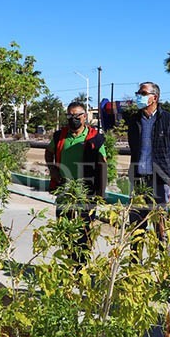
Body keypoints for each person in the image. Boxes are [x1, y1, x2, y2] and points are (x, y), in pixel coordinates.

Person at [44, 102, 108, 264]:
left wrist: (101, 193)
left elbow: (103, 164)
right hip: (65, 190)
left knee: (84, 230)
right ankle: (70, 259)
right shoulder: (60, 136)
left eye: (77, 116)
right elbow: (49, 152)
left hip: (87, 192)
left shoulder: (95, 138)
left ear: (85, 117)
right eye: (70, 116)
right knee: (64, 227)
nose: (73, 119)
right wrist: (53, 170)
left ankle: (81, 265)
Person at [126, 81, 170, 238]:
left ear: (155, 98)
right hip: (139, 180)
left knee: (160, 226)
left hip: (160, 180)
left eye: (143, 93)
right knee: (136, 226)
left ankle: (162, 259)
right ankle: (135, 260)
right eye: (138, 93)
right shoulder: (134, 121)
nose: (139, 96)